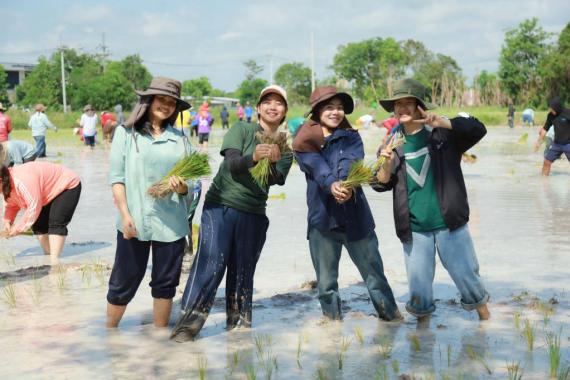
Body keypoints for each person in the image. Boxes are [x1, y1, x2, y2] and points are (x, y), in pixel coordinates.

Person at [171, 85, 293, 342]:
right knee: (210, 266)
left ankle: (238, 329)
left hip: (254, 213)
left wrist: (270, 161)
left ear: (284, 112)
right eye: (267, 102)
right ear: (258, 108)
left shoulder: (285, 147)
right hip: (221, 207)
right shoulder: (242, 129)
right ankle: (186, 327)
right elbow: (233, 163)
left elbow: (275, 180)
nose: (273, 106)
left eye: (279, 103)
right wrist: (254, 157)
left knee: (243, 271)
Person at [373, 78, 490, 321]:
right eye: (398, 104)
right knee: (419, 290)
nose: (402, 108)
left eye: (408, 103)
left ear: (419, 106)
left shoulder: (442, 133)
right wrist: (384, 161)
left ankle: (485, 324)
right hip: (415, 229)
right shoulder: (391, 142)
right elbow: (381, 183)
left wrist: (444, 122)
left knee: (468, 278)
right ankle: (422, 344)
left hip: (450, 223)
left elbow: (478, 129)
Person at [292, 86, 401, 321]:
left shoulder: (352, 136)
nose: (336, 112)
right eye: (329, 107)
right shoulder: (304, 140)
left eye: (340, 108)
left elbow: (353, 162)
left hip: (356, 219)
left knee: (375, 277)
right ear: (318, 111)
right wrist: (333, 185)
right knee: (326, 284)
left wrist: (348, 186)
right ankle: (332, 329)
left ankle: (391, 320)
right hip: (322, 222)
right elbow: (316, 167)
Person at [106, 77, 194, 329]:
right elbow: (117, 178)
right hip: (134, 220)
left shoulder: (181, 140)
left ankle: (159, 341)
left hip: (171, 223)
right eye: (161, 100)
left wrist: (182, 186)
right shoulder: (125, 133)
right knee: (124, 280)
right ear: (148, 101)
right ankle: (110, 335)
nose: (165, 106)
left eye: (171, 103)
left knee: (165, 283)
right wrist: (125, 214)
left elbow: (192, 185)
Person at [1, 161, 81, 265]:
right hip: (45, 193)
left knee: (56, 223)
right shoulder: (6, 184)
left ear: (0, 180)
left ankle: (55, 262)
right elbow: (11, 205)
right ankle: (48, 257)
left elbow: (34, 208)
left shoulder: (21, 180)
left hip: (66, 185)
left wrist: (18, 229)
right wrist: (8, 221)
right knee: (38, 226)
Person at [534, 97, 570, 176]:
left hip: (568, 144)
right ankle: (544, 182)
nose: (551, 110)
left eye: (552, 109)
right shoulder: (550, 116)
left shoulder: (568, 112)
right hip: (556, 144)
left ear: (557, 107)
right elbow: (544, 129)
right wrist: (538, 142)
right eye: (550, 108)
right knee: (546, 162)